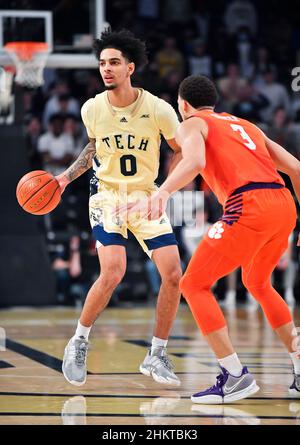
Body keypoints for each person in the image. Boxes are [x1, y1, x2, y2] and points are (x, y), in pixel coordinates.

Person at [119, 75, 300, 403]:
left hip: (249, 206)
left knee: (192, 284)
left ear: (182, 104)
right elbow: (297, 170)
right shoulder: (246, 127)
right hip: (284, 206)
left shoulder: (190, 124)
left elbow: (196, 161)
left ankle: (234, 375)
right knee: (257, 282)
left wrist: (162, 193)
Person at [55, 29, 182, 387]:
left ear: (130, 68)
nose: (106, 69)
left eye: (113, 63)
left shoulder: (158, 108)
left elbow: (180, 150)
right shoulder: (91, 108)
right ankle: (79, 340)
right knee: (113, 270)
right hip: (107, 195)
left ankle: (156, 354)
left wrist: (165, 191)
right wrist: (65, 177)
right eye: (102, 63)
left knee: (173, 274)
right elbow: (93, 148)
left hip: (145, 195)